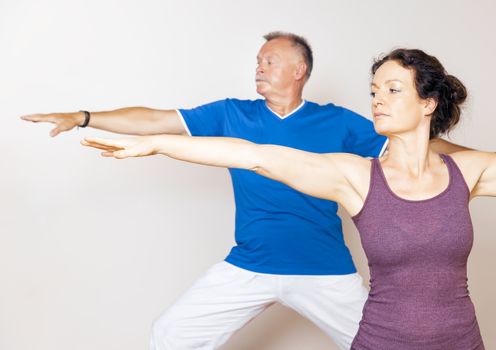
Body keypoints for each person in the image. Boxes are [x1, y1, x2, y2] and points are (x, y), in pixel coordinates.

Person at [22, 33, 466, 349]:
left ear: (300, 69)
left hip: (324, 270)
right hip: (249, 265)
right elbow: (157, 120)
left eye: (270, 60)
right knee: (171, 334)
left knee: (391, 344)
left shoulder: (340, 122)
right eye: (257, 60)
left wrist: (482, 164)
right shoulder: (233, 115)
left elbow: (419, 142)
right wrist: (83, 116)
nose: (259, 66)